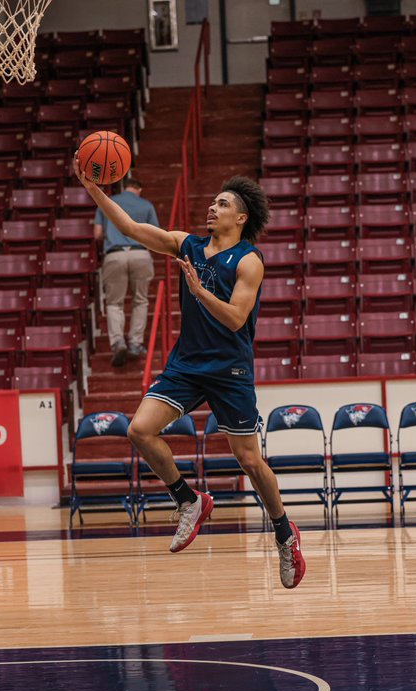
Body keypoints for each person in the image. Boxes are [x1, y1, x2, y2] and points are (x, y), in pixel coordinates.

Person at [75, 160, 307, 589]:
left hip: (229, 369)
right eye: (213, 202)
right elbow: (130, 228)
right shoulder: (189, 246)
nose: (211, 208)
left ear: (241, 218)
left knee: (250, 462)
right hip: (187, 363)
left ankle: (283, 532)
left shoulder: (249, 261)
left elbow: (237, 318)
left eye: (222, 204)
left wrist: (199, 293)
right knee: (140, 430)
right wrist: (94, 190)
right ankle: (189, 499)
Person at [94, 176, 159, 368]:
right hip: (140, 254)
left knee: (114, 302)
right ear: (138, 189)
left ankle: (118, 343)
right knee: (140, 300)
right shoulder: (146, 205)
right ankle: (135, 343)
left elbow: (97, 233)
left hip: (114, 255)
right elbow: (156, 234)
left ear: (124, 188)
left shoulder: (108, 202)